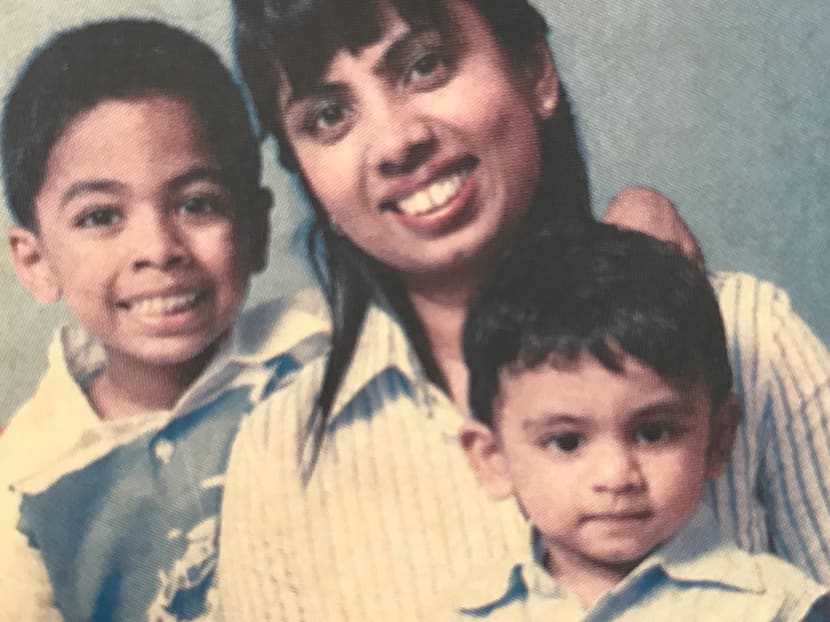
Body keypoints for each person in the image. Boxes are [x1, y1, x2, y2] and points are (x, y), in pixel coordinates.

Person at [218, 0, 830, 619]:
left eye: (426, 65)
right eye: (328, 115)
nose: (398, 140)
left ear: (536, 71)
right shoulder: (281, 459)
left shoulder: (748, 335)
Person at [0, 20, 329, 621]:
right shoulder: (26, 474)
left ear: (254, 228)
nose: (158, 248)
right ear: (35, 261)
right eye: (100, 216)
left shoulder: (321, 360)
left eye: (196, 203)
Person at [443, 222, 829, 620]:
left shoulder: (781, 609)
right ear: (493, 459)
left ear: (718, 439)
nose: (616, 476)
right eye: (566, 442)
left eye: (652, 433)